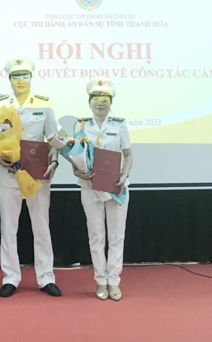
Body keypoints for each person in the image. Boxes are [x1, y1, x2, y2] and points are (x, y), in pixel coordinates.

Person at [0, 57, 61, 298]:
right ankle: (10, 277)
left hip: (37, 176)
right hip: (9, 174)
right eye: (15, 77)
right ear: (9, 79)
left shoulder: (44, 104)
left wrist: (54, 161)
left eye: (24, 76)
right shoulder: (0, 105)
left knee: (41, 227)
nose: (20, 81)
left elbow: (53, 138)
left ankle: (46, 277)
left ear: (31, 78)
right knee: (8, 229)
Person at [72, 78, 133, 301]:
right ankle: (100, 280)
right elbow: (75, 156)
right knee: (96, 236)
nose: (100, 103)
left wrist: (124, 175)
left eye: (105, 99)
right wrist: (76, 171)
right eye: (96, 99)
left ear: (111, 102)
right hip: (89, 187)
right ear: (90, 102)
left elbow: (128, 155)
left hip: (115, 187)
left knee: (116, 236)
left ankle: (114, 281)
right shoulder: (80, 126)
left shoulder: (119, 125)